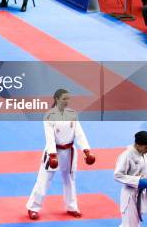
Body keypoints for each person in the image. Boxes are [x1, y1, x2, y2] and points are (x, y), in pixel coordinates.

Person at [26, 89, 95, 220]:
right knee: (44, 180)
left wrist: (86, 150)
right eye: (64, 99)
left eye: (68, 99)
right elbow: (49, 137)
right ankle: (33, 207)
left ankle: (72, 207)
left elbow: (79, 132)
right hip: (54, 151)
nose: (67, 101)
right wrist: (52, 155)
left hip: (69, 152)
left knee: (70, 180)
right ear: (56, 99)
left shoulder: (72, 114)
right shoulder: (49, 116)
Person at [114, 130, 147, 226]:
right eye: (146, 147)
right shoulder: (126, 155)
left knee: (133, 223)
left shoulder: (146, 152)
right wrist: (137, 181)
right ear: (138, 145)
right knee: (130, 224)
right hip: (130, 195)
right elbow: (117, 175)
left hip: (143, 193)